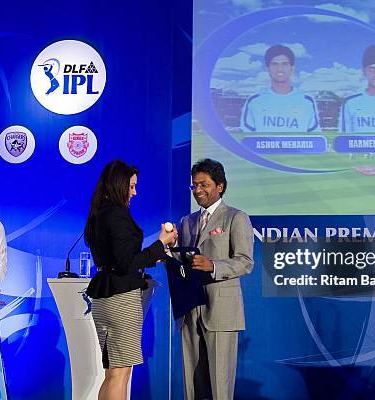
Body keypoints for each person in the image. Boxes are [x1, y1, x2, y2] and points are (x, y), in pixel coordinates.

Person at [84, 160, 177, 400]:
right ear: (118, 185)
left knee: (112, 373)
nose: (134, 193)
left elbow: (120, 257)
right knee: (121, 372)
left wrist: (155, 251)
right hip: (121, 299)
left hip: (104, 299)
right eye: (131, 186)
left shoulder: (98, 214)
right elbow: (127, 263)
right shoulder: (117, 215)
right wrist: (161, 244)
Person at [178, 159, 254, 400]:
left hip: (222, 310)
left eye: (204, 185)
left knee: (221, 385)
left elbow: (245, 261)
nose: (198, 190)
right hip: (190, 309)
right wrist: (169, 252)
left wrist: (213, 266)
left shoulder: (236, 217)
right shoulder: (186, 221)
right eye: (194, 186)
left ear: (219, 186)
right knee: (192, 384)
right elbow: (184, 260)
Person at [240, 44, 319, 133]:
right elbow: (247, 139)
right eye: (274, 64)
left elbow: (314, 139)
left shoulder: (307, 101)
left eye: (284, 64)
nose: (280, 69)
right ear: (268, 69)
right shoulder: (254, 101)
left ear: (292, 68)